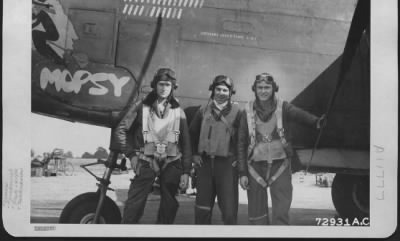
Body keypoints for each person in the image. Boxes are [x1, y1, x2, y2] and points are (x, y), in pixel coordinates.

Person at [237, 72, 327, 225]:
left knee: (281, 213)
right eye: (260, 87)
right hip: (255, 166)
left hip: (280, 165)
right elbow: (241, 142)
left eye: (267, 87)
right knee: (257, 216)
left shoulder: (283, 107)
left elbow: (299, 115)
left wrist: (316, 122)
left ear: (273, 89)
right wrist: (242, 172)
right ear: (255, 89)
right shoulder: (246, 110)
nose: (263, 91)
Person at [112, 68, 192, 224]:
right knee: (133, 207)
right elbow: (121, 130)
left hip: (172, 163)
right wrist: (131, 155)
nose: (164, 88)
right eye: (161, 84)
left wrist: (186, 171)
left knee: (169, 208)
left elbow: (186, 144)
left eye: (167, 85)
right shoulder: (142, 106)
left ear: (172, 87)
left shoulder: (179, 112)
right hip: (146, 162)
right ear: (155, 85)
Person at [189, 75, 241, 225]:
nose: (220, 92)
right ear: (212, 90)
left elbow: (244, 140)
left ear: (230, 93)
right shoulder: (202, 111)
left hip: (227, 166)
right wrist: (194, 154)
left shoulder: (238, 113)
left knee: (229, 211)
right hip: (204, 164)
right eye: (218, 89)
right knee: (202, 209)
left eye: (225, 90)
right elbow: (192, 134)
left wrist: (238, 160)